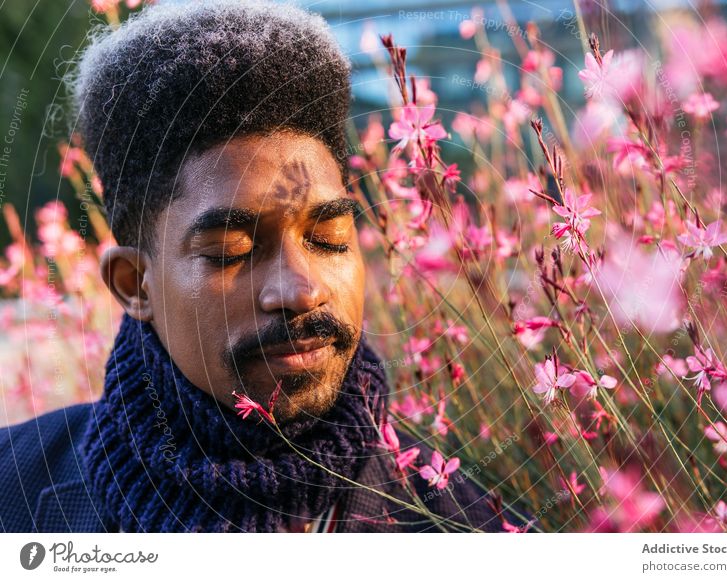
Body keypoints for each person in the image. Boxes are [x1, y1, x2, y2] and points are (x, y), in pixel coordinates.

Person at [0, 0, 510, 533]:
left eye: (328, 238)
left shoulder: (465, 524)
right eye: (230, 252)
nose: (301, 289)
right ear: (134, 285)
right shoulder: (16, 498)